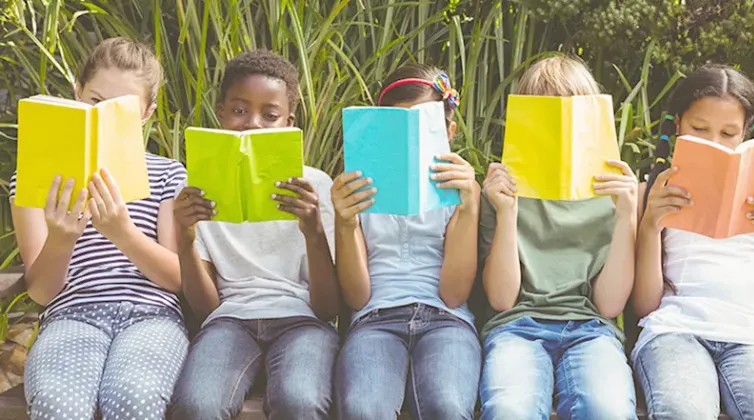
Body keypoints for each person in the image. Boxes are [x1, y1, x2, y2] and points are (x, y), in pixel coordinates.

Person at [12, 37, 188, 420]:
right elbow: (41, 292)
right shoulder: (32, 180)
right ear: (77, 93)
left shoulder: (168, 175)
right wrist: (62, 238)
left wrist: (123, 232)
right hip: (72, 314)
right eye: (95, 101)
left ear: (146, 113)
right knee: (59, 405)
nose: (104, 112)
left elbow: (177, 278)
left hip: (151, 316)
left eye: (121, 108)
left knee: (134, 398)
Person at [169, 49, 339, 420]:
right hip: (229, 321)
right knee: (198, 404)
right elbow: (206, 308)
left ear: (289, 122)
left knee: (300, 400)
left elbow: (327, 309)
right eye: (240, 110)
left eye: (270, 114)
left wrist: (312, 233)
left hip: (303, 322)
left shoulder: (314, 186)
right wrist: (184, 238)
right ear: (221, 113)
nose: (253, 123)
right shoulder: (195, 188)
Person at [632, 64, 754, 419]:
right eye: (699, 129)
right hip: (676, 331)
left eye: (728, 133)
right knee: (682, 411)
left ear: (746, 135)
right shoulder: (653, 192)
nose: (714, 143)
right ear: (678, 125)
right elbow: (645, 306)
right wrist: (650, 227)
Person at [477, 56, 638, 420]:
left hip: (591, 330)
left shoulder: (611, 194)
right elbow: (502, 299)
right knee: (509, 410)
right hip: (516, 328)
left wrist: (627, 214)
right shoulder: (502, 192)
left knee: (607, 410)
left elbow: (610, 306)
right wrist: (507, 212)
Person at [333, 64, 481, 419]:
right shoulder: (358, 191)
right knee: (363, 409)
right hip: (375, 318)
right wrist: (345, 222)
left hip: (447, 319)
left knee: (446, 406)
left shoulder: (461, 191)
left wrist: (468, 208)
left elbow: (454, 294)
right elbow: (357, 297)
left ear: (449, 131)